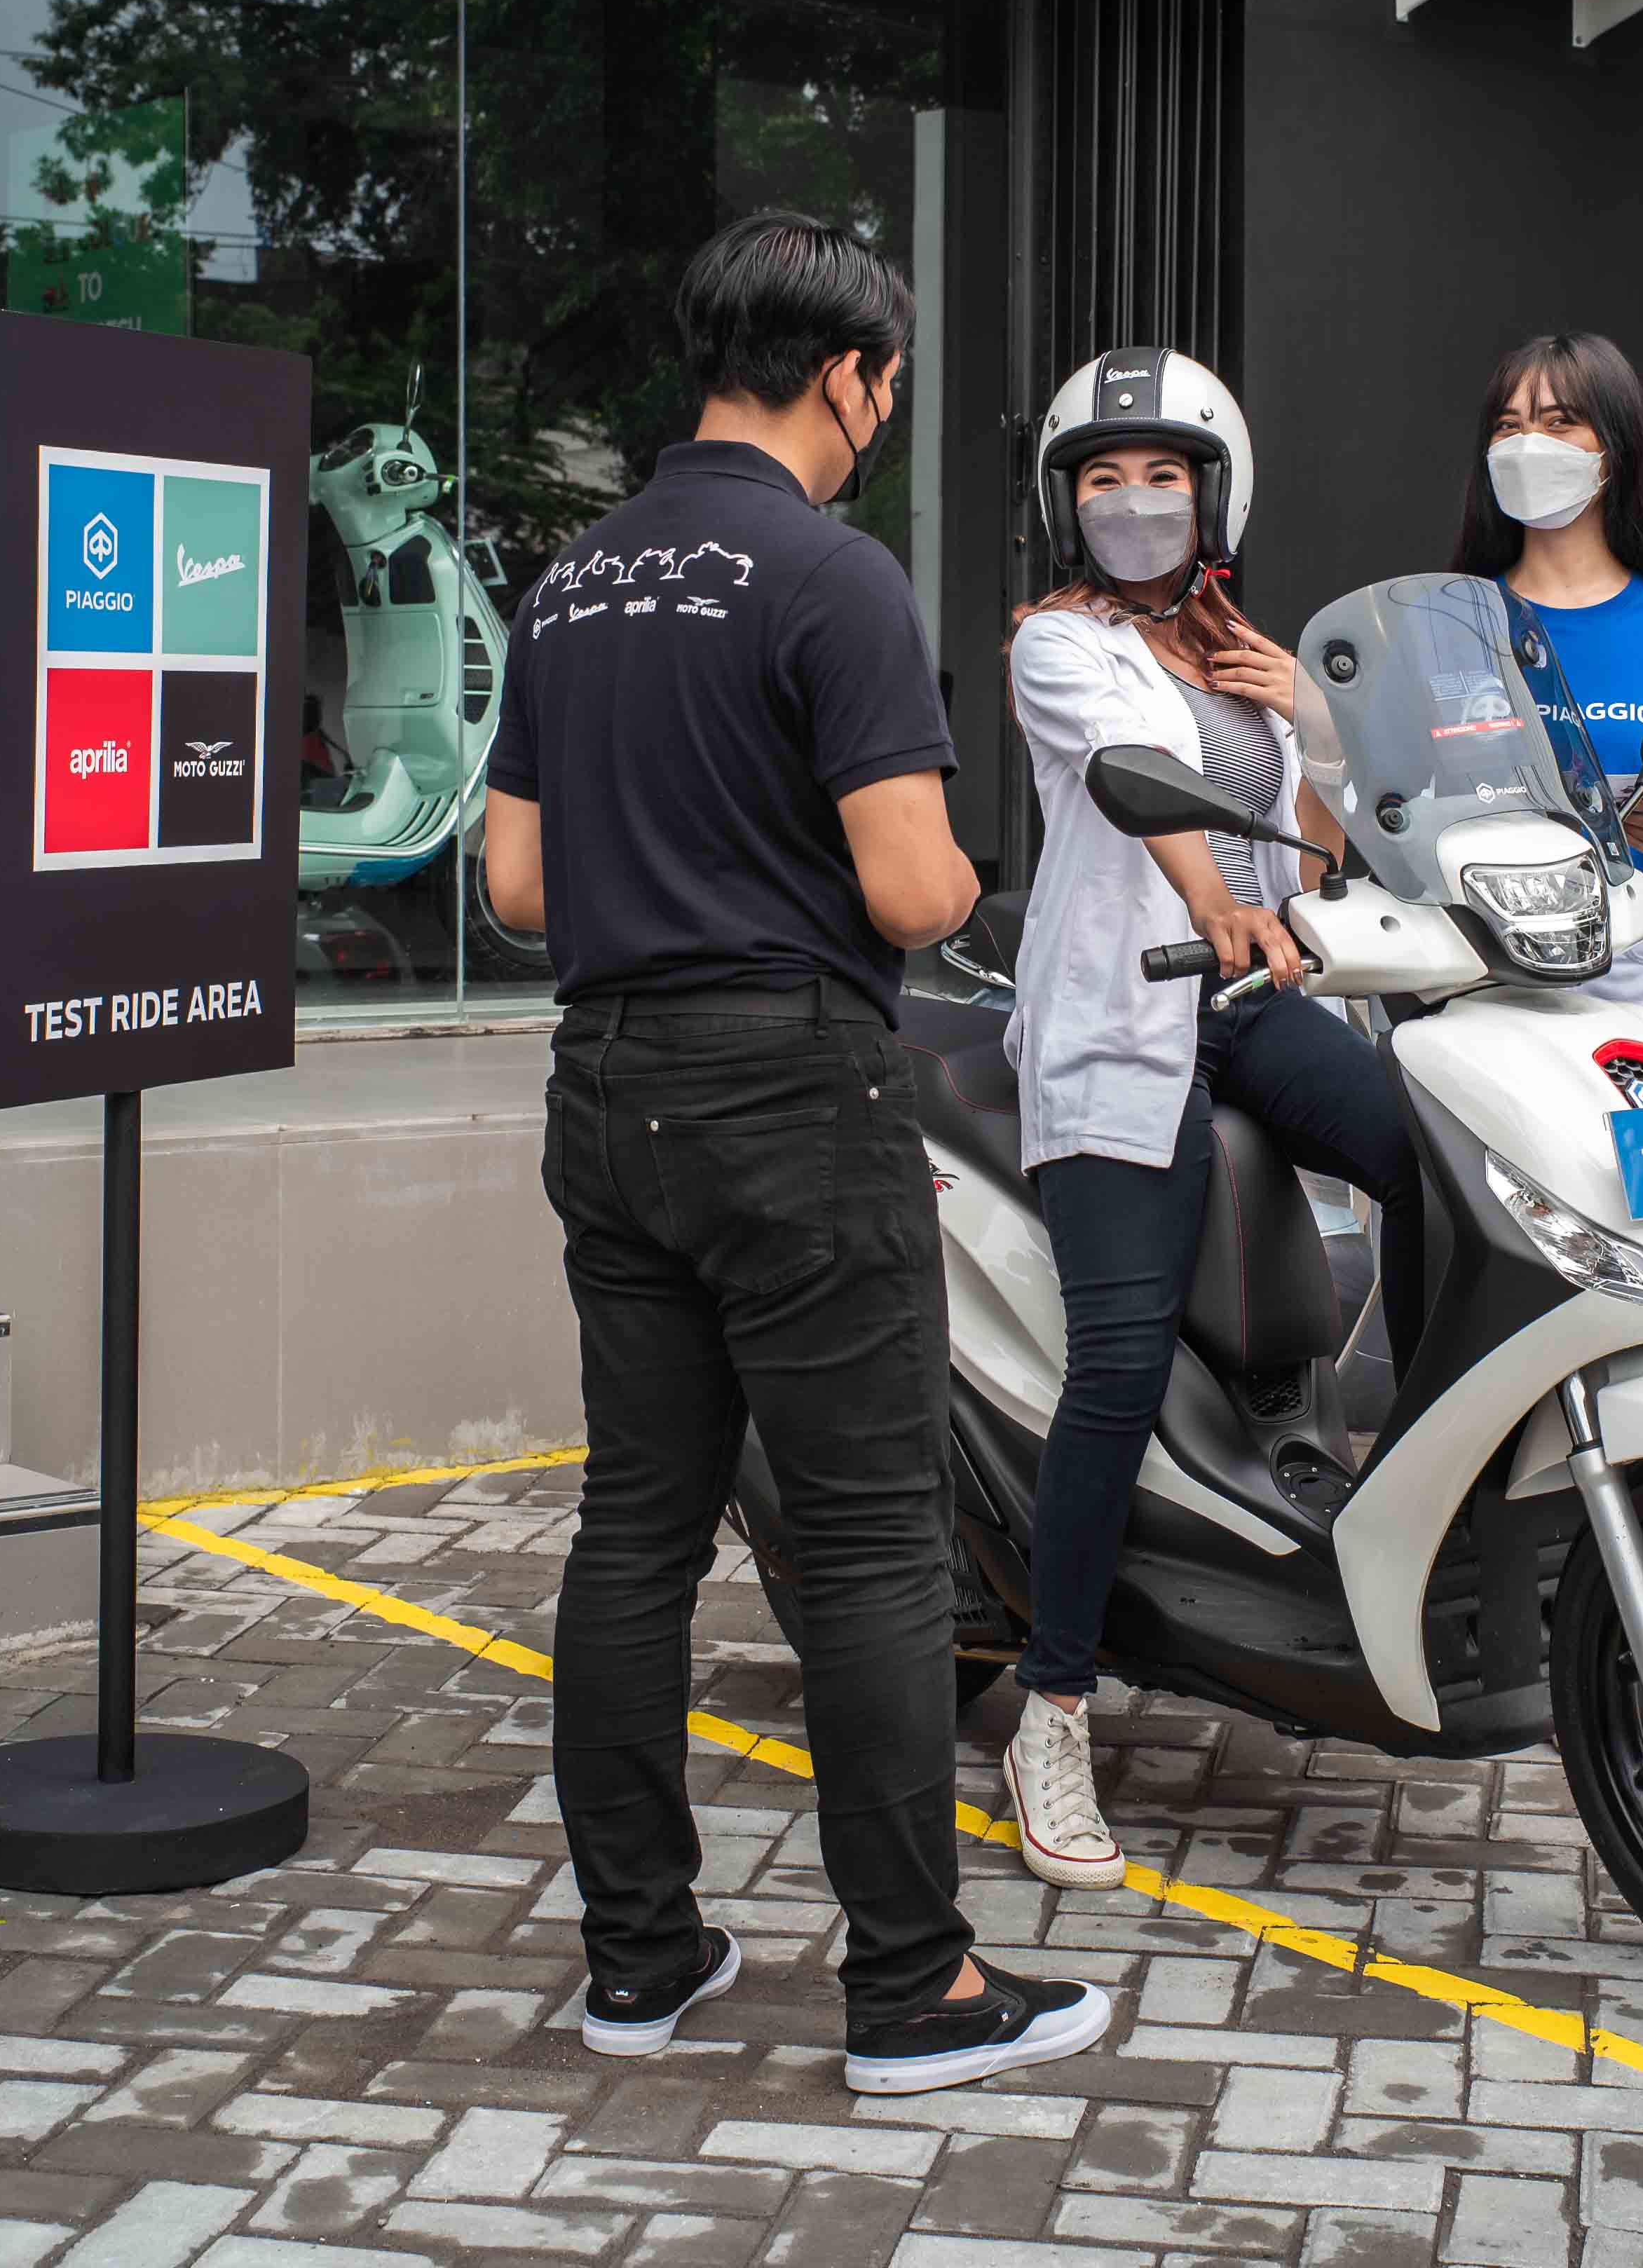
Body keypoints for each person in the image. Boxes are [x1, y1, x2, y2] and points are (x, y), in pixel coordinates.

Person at [480, 210, 1110, 2099]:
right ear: (845, 374)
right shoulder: (833, 577)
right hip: (791, 1089)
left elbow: (516, 884)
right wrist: (946, 879)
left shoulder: (572, 582)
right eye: (885, 389)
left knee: (636, 1525)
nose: (881, 421)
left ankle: (640, 1958)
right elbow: (914, 891)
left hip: (607, 1088)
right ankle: (912, 1986)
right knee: (867, 1543)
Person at [995, 348, 1424, 1891]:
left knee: (1443, 1169)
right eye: (1104, 479)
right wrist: (1221, 909)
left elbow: (1314, 850)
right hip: (1127, 1010)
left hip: (1251, 997)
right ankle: (1053, 1706)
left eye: (1162, 476)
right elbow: (1143, 790)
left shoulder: (1242, 651)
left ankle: (1414, 1495)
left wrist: (1312, 720)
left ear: (1214, 493)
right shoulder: (1058, 644)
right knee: (1118, 1361)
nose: (1133, 502)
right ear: (1068, 503)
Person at [1457, 332, 1643, 1022]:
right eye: (1508, 426)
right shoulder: (1455, 620)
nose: (1528, 445)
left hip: (1637, 967)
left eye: (1559, 421)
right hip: (1483, 968)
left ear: (1615, 450)